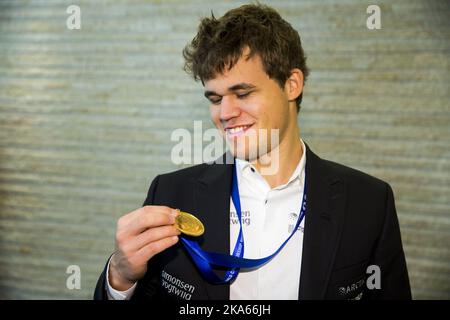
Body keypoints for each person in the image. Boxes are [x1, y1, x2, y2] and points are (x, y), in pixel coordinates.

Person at [94, 3, 411, 300]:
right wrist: (120, 279)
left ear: (291, 84)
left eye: (241, 93)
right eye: (215, 99)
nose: (225, 112)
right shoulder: (171, 192)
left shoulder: (369, 202)